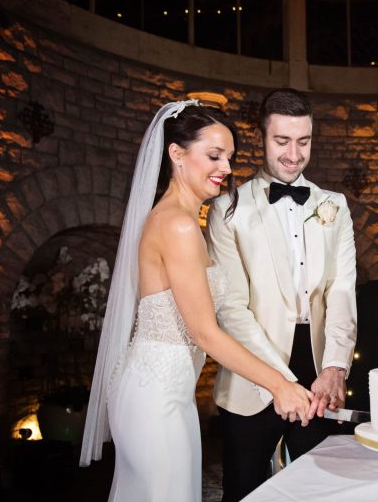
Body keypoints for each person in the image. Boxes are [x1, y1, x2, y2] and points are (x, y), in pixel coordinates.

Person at [79, 101, 313, 502]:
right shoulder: (179, 224)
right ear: (176, 154)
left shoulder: (179, 218)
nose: (224, 167)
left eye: (229, 157)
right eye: (213, 155)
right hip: (156, 397)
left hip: (168, 391)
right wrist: (280, 385)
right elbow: (204, 331)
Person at [206, 88, 358, 501]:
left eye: (304, 141)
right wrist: (281, 382)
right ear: (261, 138)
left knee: (321, 491)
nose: (294, 154)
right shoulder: (226, 210)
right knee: (243, 491)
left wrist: (336, 367)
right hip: (252, 374)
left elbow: (342, 289)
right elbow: (231, 308)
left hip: (320, 374)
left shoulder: (335, 206)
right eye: (282, 141)